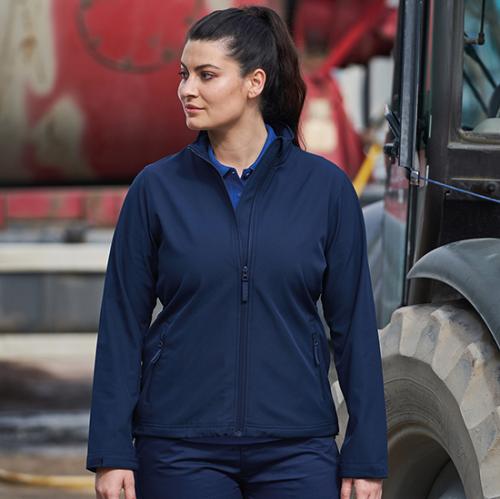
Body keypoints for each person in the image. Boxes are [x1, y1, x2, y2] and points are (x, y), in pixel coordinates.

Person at [86, 5, 388, 499]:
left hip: (296, 445)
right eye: (184, 75)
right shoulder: (156, 189)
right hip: (179, 444)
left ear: (255, 83)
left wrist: (365, 453)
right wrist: (111, 451)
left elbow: (354, 328)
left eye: (207, 75)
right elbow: (121, 324)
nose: (187, 89)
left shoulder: (326, 190)